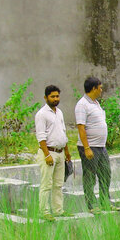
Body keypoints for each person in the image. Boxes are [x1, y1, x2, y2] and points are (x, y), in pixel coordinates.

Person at [74, 75, 113, 213]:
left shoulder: (96, 103)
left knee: (106, 173)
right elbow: (81, 127)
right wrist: (86, 147)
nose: (101, 90)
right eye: (100, 88)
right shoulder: (82, 105)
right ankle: (91, 205)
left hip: (101, 147)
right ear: (93, 88)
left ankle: (105, 201)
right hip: (90, 147)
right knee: (90, 176)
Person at [34, 84, 71, 219]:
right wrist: (47, 155)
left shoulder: (59, 112)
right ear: (46, 98)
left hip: (60, 152)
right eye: (52, 96)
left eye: (57, 96)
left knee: (58, 184)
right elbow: (41, 136)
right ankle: (44, 212)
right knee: (46, 184)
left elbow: (63, 132)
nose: (55, 99)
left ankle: (58, 210)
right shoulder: (41, 114)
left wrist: (67, 151)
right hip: (49, 153)